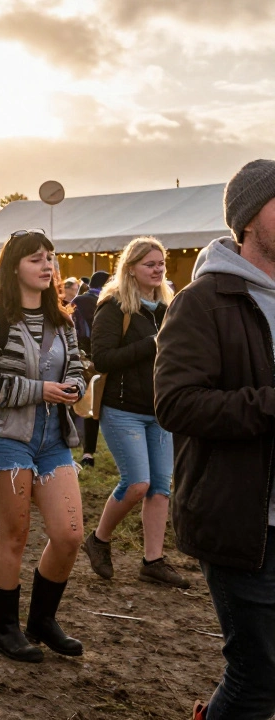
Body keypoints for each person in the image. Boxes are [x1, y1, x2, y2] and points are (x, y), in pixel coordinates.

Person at [156, 159, 275, 720]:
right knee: (257, 678)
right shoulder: (204, 300)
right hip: (244, 522)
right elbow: (176, 403)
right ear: (250, 218)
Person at [0, 229, 86, 664]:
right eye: (36, 258)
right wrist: (39, 390)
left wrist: (74, 386)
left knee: (70, 535)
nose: (46, 265)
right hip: (2, 439)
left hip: (53, 440)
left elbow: (77, 367)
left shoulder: (62, 319)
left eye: (50, 257)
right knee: (14, 536)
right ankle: (6, 630)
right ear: (14, 265)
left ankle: (42, 621)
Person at [79, 237, 187, 588]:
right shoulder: (113, 306)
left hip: (160, 409)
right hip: (122, 408)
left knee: (160, 488)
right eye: (149, 264)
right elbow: (104, 358)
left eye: (160, 264)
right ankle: (99, 539)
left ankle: (153, 561)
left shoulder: (169, 307)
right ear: (130, 269)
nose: (157, 270)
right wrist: (151, 345)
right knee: (137, 483)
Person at [72, 270, 107, 467]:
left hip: (86, 356)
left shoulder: (79, 300)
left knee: (90, 402)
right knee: (95, 402)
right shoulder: (108, 301)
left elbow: (75, 329)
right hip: (101, 356)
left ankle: (87, 452)